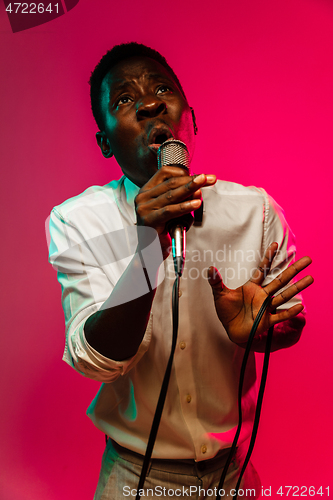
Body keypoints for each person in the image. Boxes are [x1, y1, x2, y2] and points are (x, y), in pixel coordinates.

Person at [48, 43, 313, 499]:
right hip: (134, 479)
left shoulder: (256, 211)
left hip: (234, 474)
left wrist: (255, 334)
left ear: (189, 117)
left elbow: (287, 324)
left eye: (162, 89)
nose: (151, 102)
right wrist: (147, 245)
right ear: (105, 142)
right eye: (125, 100)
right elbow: (93, 360)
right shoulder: (76, 221)